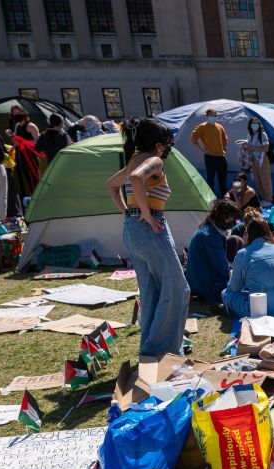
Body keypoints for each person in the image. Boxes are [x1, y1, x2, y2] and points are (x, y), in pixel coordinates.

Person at [105, 117, 190, 357]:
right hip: (151, 227)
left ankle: (151, 350)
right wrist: (143, 212)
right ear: (159, 144)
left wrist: (129, 212)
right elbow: (136, 179)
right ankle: (163, 351)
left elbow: (111, 185)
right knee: (176, 289)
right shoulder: (152, 160)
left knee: (151, 290)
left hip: (134, 229)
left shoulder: (133, 159)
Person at [223, 217, 274, 320]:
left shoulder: (243, 254)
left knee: (226, 293)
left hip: (261, 311)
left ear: (248, 234)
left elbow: (235, 288)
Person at [186, 199, 241, 307]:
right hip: (207, 286)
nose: (233, 220)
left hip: (198, 282)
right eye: (231, 217)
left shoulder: (207, 229)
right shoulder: (210, 236)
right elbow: (222, 268)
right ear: (223, 217)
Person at [191, 108, 228, 196]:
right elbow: (193, 138)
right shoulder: (203, 126)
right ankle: (211, 199)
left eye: (215, 116)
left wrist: (224, 149)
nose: (214, 117)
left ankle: (225, 199)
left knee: (222, 180)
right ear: (207, 116)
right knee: (210, 180)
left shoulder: (219, 126)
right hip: (210, 157)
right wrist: (201, 149)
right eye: (212, 116)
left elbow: (225, 138)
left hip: (221, 157)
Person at [8, 106, 41, 202]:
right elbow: (16, 141)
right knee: (25, 179)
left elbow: (37, 142)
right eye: (14, 113)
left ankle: (39, 199)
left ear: (24, 112)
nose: (16, 115)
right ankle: (30, 200)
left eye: (18, 113)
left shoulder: (31, 126)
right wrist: (12, 147)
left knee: (34, 179)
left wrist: (23, 141)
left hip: (31, 156)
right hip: (20, 156)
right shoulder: (17, 126)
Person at [243, 116, 272, 204]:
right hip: (253, 159)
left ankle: (268, 199)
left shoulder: (262, 134)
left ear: (259, 125)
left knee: (265, 180)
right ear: (250, 124)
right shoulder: (250, 134)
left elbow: (266, 147)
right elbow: (249, 146)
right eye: (253, 123)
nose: (255, 125)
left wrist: (252, 148)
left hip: (262, 159)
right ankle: (263, 198)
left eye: (256, 123)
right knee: (257, 180)